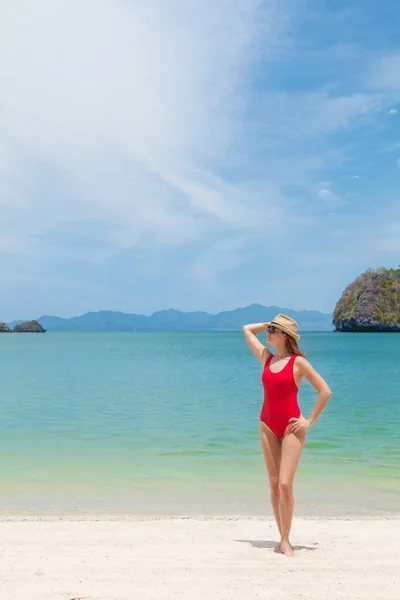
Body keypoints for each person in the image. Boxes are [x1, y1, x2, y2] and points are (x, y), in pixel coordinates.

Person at [243, 314, 331, 557]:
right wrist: (267, 323)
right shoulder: (266, 358)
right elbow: (247, 329)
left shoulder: (298, 362)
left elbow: (325, 391)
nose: (268, 332)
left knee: (284, 484)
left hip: (292, 427)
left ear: (284, 335)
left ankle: (285, 540)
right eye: (269, 328)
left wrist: (309, 420)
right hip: (266, 425)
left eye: (273, 330)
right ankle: (282, 539)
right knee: (273, 484)